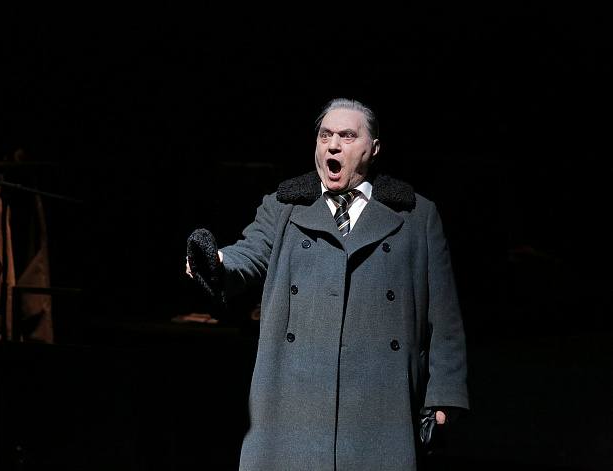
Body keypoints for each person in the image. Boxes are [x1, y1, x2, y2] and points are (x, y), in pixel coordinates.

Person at [185, 98, 469, 470]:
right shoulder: (284, 207)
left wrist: (445, 393)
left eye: (347, 136)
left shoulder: (416, 215)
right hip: (295, 398)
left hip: (379, 401)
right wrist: (217, 263)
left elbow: (443, 315)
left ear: (373, 148)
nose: (333, 145)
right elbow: (250, 252)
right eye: (325, 135)